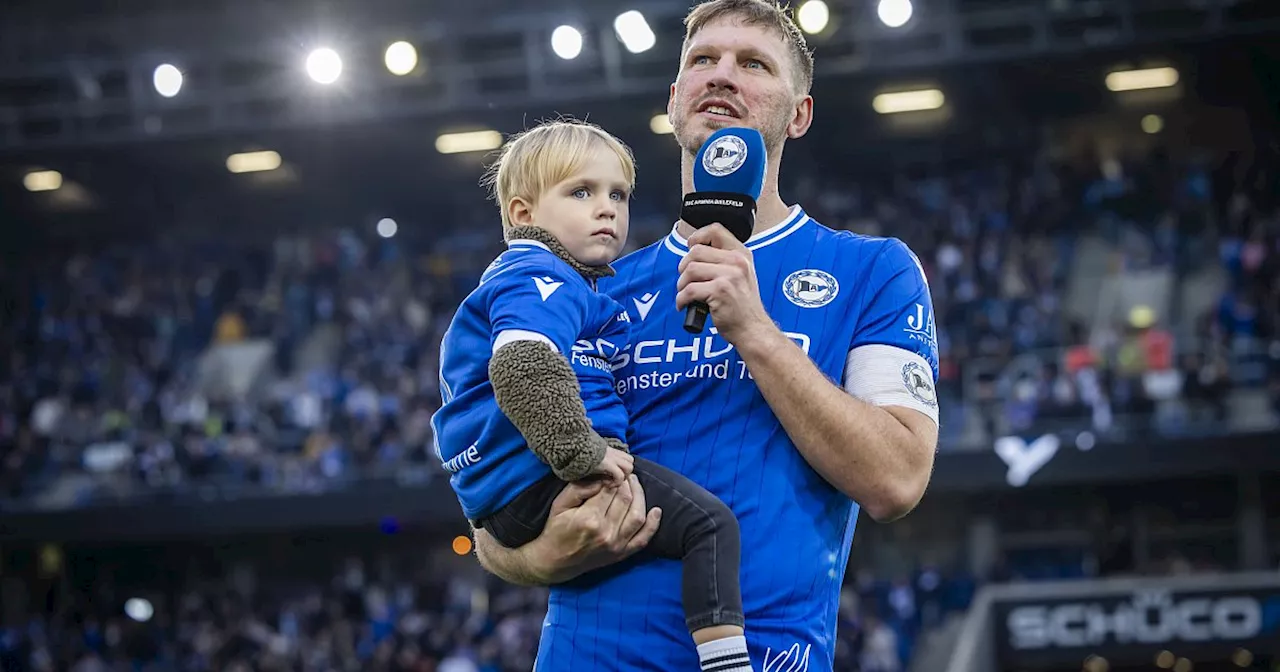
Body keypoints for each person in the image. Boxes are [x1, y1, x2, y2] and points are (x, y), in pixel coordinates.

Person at [470, 1, 941, 669]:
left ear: (798, 114)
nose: (722, 75)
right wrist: (535, 557)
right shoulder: (588, 285)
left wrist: (754, 331)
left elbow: (896, 479)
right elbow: (492, 499)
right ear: (675, 101)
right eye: (703, 61)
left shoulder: (872, 270)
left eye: (753, 64)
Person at [432, 119, 757, 672]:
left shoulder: (552, 282)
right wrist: (582, 452)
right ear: (523, 214)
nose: (607, 208)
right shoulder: (538, 275)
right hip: (544, 475)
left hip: (509, 499)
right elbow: (522, 367)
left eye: (618, 194)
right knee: (711, 526)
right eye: (581, 192)